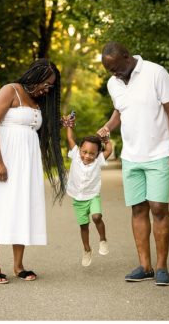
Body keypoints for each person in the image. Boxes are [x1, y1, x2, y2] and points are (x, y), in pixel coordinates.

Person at [0, 58, 65, 284]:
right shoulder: (10, 90)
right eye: (46, 84)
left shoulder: (37, 101)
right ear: (36, 76)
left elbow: (35, 129)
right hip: (4, 157)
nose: (47, 89)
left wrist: (59, 123)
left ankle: (18, 265)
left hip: (27, 163)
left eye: (51, 87)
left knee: (22, 208)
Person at [96, 42, 169, 286]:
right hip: (131, 156)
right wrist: (106, 128)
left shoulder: (156, 73)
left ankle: (161, 267)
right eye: (110, 71)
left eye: (116, 68)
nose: (114, 74)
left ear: (126, 56)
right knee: (137, 209)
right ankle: (145, 266)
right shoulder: (113, 83)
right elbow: (120, 111)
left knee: (158, 208)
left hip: (159, 153)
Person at [62, 114, 113, 267]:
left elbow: (108, 150)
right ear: (80, 150)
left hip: (93, 196)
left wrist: (106, 141)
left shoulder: (98, 161)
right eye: (84, 151)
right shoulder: (76, 155)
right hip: (78, 198)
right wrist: (69, 125)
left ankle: (103, 240)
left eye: (92, 153)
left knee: (97, 217)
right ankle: (86, 249)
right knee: (84, 225)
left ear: (97, 153)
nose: (87, 156)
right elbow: (70, 139)